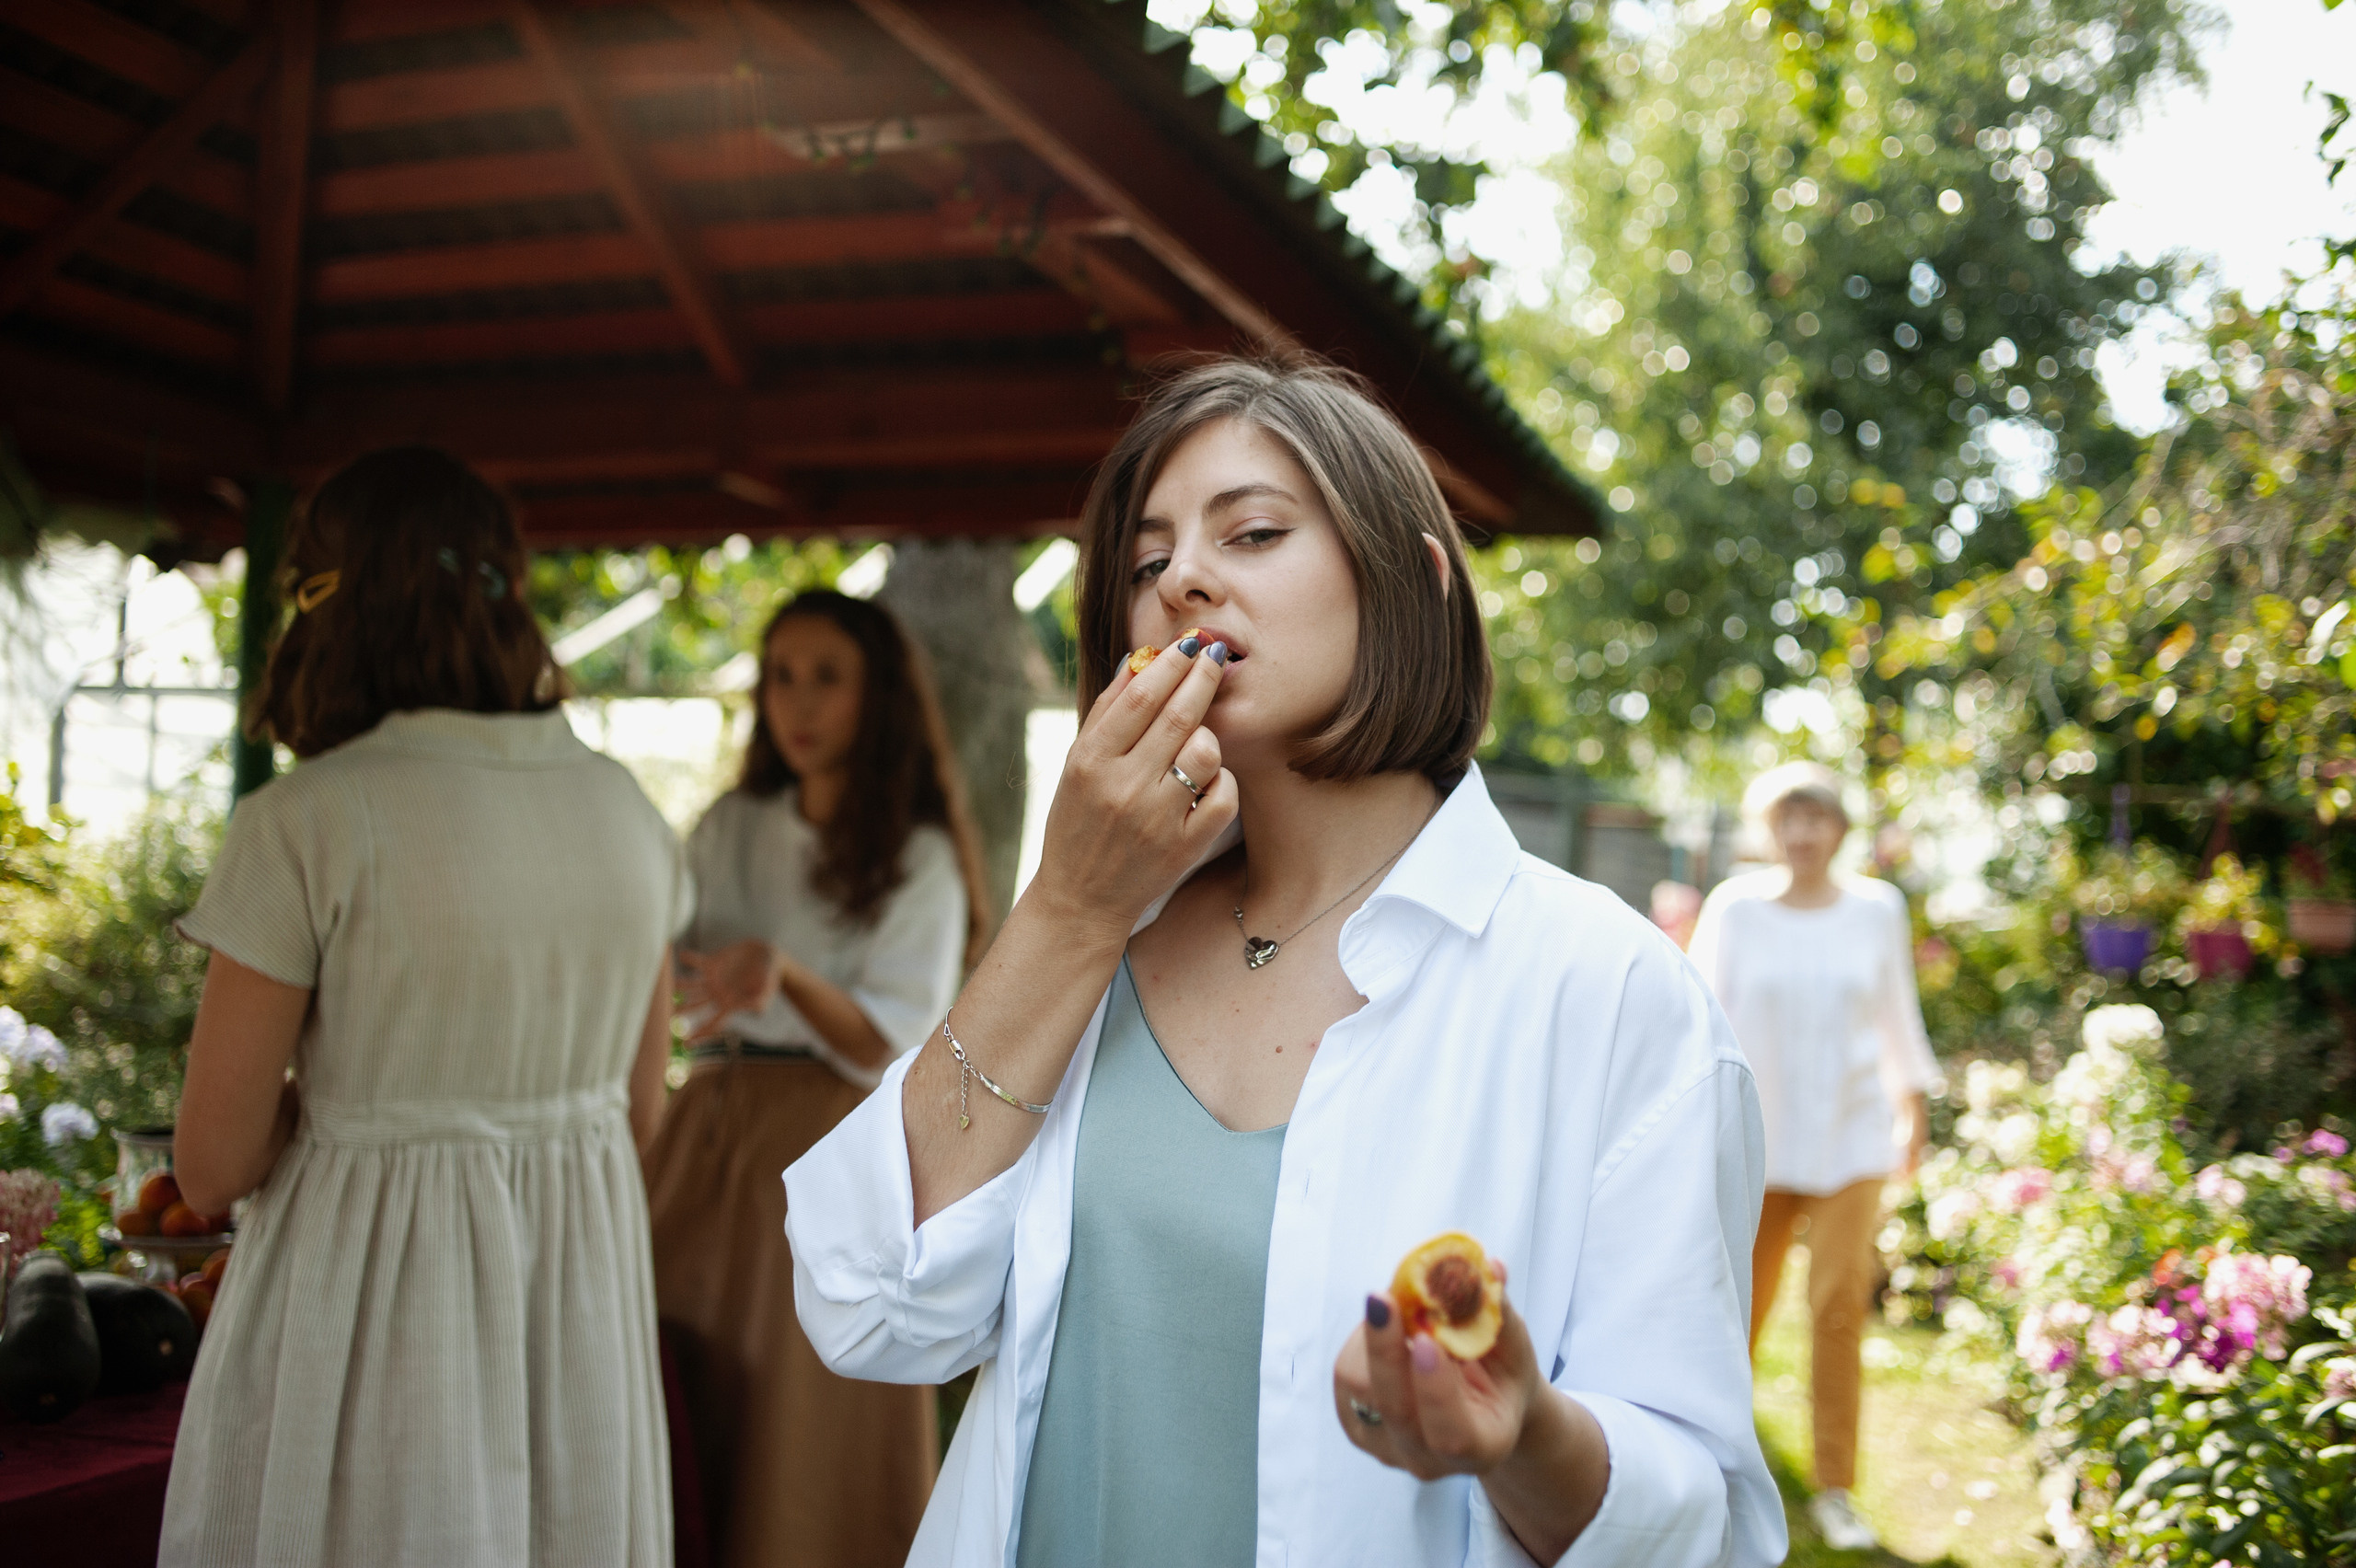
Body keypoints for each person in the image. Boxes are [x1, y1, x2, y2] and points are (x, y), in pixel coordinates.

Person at [782, 357, 1784, 1568]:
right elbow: (866, 1304)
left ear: (1413, 585)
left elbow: (1704, 1525)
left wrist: (1521, 1436)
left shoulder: (1612, 995)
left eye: (1252, 531)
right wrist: (1068, 908)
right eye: (1147, 564)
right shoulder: (1094, 948)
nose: (1183, 580)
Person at [162, 448, 687, 1566]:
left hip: (361, 1324)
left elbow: (209, 1164)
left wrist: (361, 1106)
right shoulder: (625, 812)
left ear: (325, 604)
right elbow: (640, 1120)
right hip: (573, 1325)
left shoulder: (309, 819)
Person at [642, 591, 987, 1568]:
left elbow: (896, 1042)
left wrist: (783, 974)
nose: (797, 703)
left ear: (877, 697)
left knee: (804, 1432)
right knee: (680, 1381)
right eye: (780, 677)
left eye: (826, 678)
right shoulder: (728, 827)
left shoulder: (917, 856)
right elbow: (660, 968)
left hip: (832, 1150)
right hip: (702, 1140)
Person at [1687, 761, 1940, 1553]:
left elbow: (1898, 1008)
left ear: (1839, 829)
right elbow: (1695, 1019)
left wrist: (1914, 1111)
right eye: (1787, 820)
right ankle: (1717, 1471)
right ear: (1769, 831)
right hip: (1755, 1144)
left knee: (1837, 1309)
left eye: (1816, 818)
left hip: (1852, 1139)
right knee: (1733, 1317)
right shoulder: (1734, 910)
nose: (1801, 835)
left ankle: (1835, 1486)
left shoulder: (1876, 908)